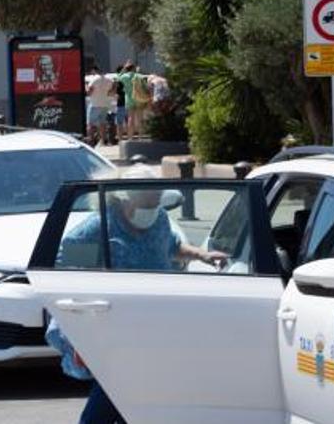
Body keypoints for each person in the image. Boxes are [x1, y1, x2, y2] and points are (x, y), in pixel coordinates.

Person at [46, 166, 227, 423]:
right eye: (148, 202)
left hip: (157, 324)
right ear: (126, 198)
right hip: (114, 328)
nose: (153, 208)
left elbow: (172, 246)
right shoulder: (97, 229)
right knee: (115, 392)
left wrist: (201, 254)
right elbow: (68, 274)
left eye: (156, 201)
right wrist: (77, 331)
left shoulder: (159, 219)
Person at [85, 67, 115, 145]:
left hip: (95, 104)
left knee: (90, 124)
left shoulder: (94, 80)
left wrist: (86, 87)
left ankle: (90, 140)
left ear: (95, 71)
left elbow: (89, 92)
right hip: (105, 104)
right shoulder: (109, 80)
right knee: (103, 123)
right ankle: (103, 140)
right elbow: (112, 90)